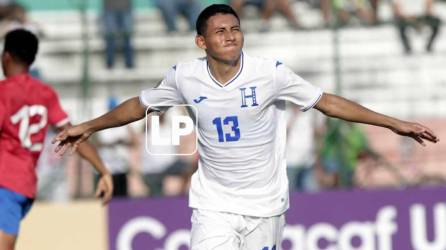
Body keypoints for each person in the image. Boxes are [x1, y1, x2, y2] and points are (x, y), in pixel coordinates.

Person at [53, 4, 439, 249]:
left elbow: (327, 102)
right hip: (214, 202)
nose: (231, 35)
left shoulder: (269, 74)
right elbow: (138, 105)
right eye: (220, 31)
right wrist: (89, 125)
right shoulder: (183, 77)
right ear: (201, 41)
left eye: (235, 28)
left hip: (266, 203)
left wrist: (392, 123)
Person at [0, 29, 113, 250]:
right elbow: (73, 134)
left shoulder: (3, 92)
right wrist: (103, 170)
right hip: (24, 187)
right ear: (32, 59)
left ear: (6, 56)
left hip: (4, 182)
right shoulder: (44, 93)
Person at [102, 0, 135, 69]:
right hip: (109, 7)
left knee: (127, 36)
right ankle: (109, 64)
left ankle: (129, 64)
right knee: (110, 36)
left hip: (125, 7)